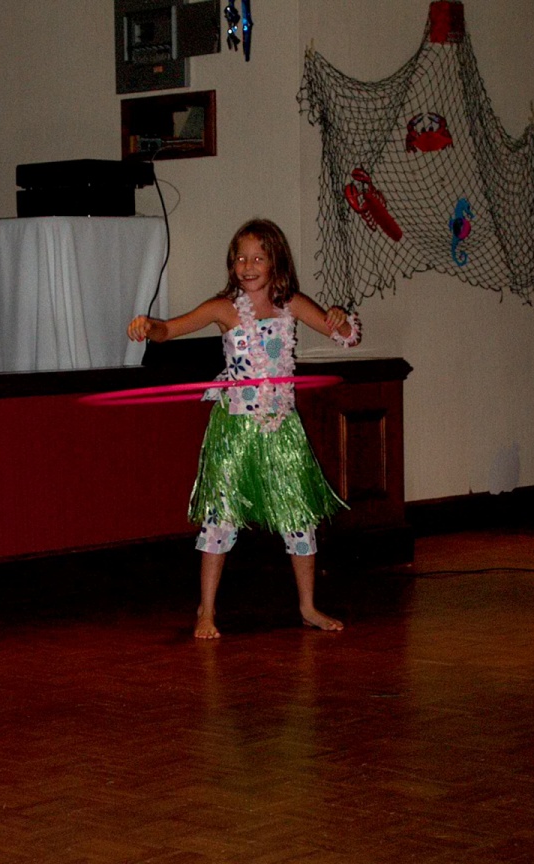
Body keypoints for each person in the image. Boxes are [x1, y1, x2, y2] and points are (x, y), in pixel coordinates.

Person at [128, 218, 362, 639]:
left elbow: (343, 335)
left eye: (258, 258)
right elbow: (169, 331)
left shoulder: (291, 304)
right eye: (240, 258)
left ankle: (308, 606)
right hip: (235, 430)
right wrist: (149, 326)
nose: (248, 266)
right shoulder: (224, 308)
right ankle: (206, 610)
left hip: (281, 429)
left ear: (276, 262)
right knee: (220, 519)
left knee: (299, 518)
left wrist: (340, 319)